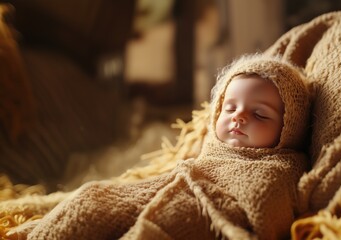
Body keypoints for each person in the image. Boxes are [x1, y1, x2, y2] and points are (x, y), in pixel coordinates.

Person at [16, 53, 311, 240]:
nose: (239, 117)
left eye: (259, 114)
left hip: (196, 217)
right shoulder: (210, 150)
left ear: (290, 128)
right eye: (229, 108)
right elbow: (168, 179)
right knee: (92, 198)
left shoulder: (281, 167)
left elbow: (269, 208)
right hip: (163, 190)